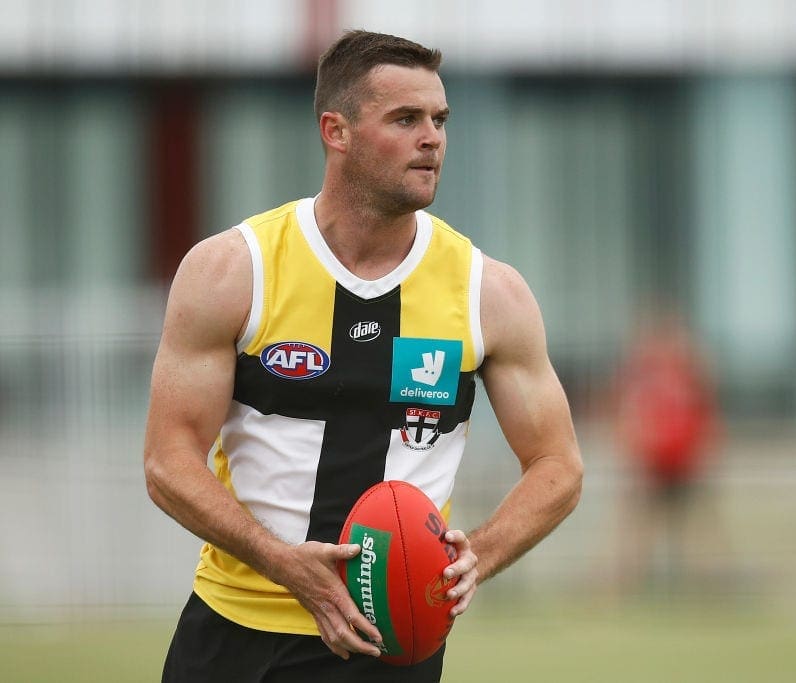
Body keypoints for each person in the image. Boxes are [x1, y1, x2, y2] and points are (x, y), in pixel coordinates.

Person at [143, 30, 583, 682]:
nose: (431, 138)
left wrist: (478, 556)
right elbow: (167, 461)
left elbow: (559, 466)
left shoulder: (489, 291)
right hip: (235, 635)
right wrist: (284, 562)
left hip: (393, 644)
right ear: (336, 131)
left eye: (439, 119)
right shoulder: (234, 271)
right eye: (405, 119)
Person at [611, 310, 718, 593]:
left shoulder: (689, 377)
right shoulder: (643, 378)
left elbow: (705, 419)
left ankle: (703, 589)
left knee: (696, 532)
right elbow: (627, 419)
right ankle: (623, 589)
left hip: (684, 464)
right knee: (636, 534)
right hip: (652, 465)